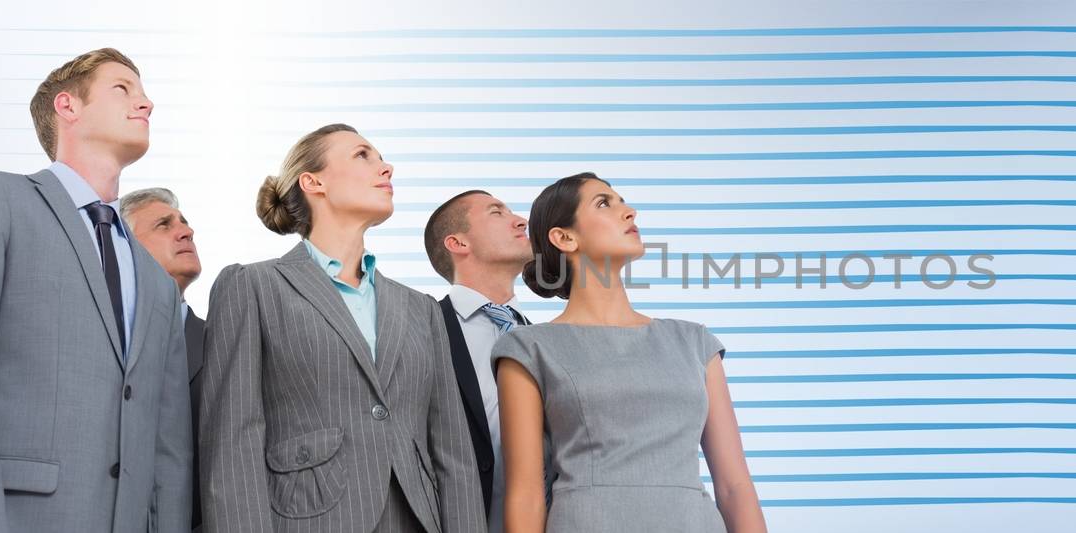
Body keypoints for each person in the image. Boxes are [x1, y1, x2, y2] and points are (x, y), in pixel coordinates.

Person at [198, 123, 483, 532]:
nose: (386, 168)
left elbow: (454, 455)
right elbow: (232, 446)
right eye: (363, 155)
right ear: (313, 182)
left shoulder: (420, 309)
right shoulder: (252, 287)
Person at [0, 48, 192, 532]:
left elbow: (168, 449)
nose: (145, 103)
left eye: (145, 93)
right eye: (123, 89)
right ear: (68, 107)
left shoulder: (157, 282)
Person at [493, 172, 767, 532]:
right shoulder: (527, 349)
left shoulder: (694, 342)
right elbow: (525, 496)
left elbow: (735, 488)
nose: (630, 212)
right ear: (564, 237)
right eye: (605, 203)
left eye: (624, 202)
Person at [424, 190, 556, 532]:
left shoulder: (546, 342)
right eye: (497, 213)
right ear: (458, 243)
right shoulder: (421, 330)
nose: (521, 221)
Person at [119, 186, 207, 530]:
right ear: (125, 247)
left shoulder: (224, 343)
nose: (186, 231)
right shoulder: (96, 339)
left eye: (184, 222)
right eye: (163, 225)